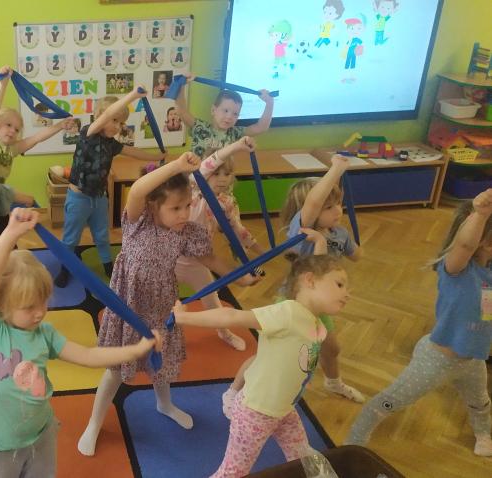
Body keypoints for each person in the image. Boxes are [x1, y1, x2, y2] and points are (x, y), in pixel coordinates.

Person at [77, 152, 259, 457]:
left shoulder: (186, 233)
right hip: (129, 306)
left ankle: (164, 404)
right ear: (154, 206)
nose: (184, 214)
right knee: (116, 370)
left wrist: (240, 278)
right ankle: (95, 422)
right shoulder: (138, 221)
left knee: (160, 364)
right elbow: (137, 190)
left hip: (161, 307)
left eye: (187, 206)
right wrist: (177, 166)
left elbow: (211, 259)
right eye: (175, 208)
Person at [0, 207, 160, 477]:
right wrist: (10, 233)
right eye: (29, 307)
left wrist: (136, 350)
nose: (39, 312)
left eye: (43, 302)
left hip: (40, 436)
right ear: (1, 304)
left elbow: (89, 356)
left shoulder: (44, 334)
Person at [172, 243, 349, 477]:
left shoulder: (316, 324)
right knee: (233, 472)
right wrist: (183, 318)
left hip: (283, 409)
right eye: (339, 284)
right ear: (310, 280)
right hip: (256, 412)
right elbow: (231, 315)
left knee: (302, 455)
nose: (347, 293)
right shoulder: (288, 313)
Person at [346, 190, 492, 457]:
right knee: (390, 401)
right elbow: (464, 246)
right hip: (437, 360)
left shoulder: (488, 272)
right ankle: (354, 441)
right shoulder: (456, 270)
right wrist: (481, 214)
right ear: (484, 241)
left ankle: (483, 435)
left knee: (480, 402)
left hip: (472, 360)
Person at [223, 155, 364, 413]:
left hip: (318, 306)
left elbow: (357, 255)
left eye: (339, 204)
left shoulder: (340, 234)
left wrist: (353, 247)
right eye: (329, 207)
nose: (337, 210)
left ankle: (333, 382)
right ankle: (232, 391)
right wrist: (336, 169)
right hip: (292, 304)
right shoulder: (302, 231)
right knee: (270, 357)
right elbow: (314, 205)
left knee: (332, 349)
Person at [53, 86, 166, 288]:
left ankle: (107, 265)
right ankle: (65, 268)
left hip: (99, 198)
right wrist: (133, 95)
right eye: (114, 120)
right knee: (70, 238)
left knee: (102, 235)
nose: (117, 126)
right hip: (78, 198)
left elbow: (133, 151)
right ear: (99, 116)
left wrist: (157, 157)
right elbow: (107, 114)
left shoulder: (112, 144)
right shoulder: (88, 133)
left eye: (121, 123)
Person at [175, 136, 265, 352]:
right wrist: (236, 146)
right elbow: (207, 164)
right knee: (164, 304)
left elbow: (238, 231)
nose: (222, 179)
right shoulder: (192, 190)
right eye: (216, 173)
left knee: (213, 301)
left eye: (227, 174)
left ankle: (223, 332)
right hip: (172, 261)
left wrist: (261, 251)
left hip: (198, 263)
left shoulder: (226, 203)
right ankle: (164, 337)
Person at [0, 66, 72, 184]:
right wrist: (3, 82)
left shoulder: (12, 149)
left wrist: (60, 125)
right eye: (8, 125)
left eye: (17, 130)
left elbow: (37, 138)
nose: (13, 131)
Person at [173, 73, 274, 159]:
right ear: (213, 110)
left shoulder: (235, 133)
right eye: (225, 110)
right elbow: (182, 111)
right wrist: (181, 85)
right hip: (196, 175)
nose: (229, 117)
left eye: (235, 114)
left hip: (222, 176)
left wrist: (269, 103)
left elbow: (261, 127)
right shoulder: (200, 127)